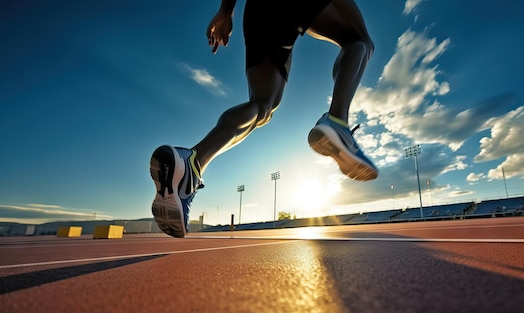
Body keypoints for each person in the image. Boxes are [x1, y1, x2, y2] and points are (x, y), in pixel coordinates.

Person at [150, 0, 378, 238]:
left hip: (258, 12)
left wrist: (226, 11)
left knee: (261, 107)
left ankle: (192, 163)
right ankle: (337, 121)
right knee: (358, 40)